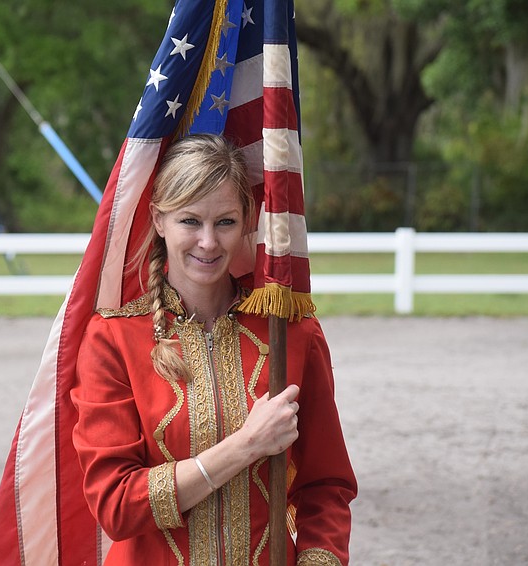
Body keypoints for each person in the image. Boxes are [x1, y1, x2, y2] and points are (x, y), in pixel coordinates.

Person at [71, 134, 357, 565]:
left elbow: (326, 484)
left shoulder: (292, 333)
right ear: (159, 220)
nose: (208, 242)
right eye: (190, 221)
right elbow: (116, 505)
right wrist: (246, 446)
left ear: (248, 220)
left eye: (224, 221)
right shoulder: (112, 340)